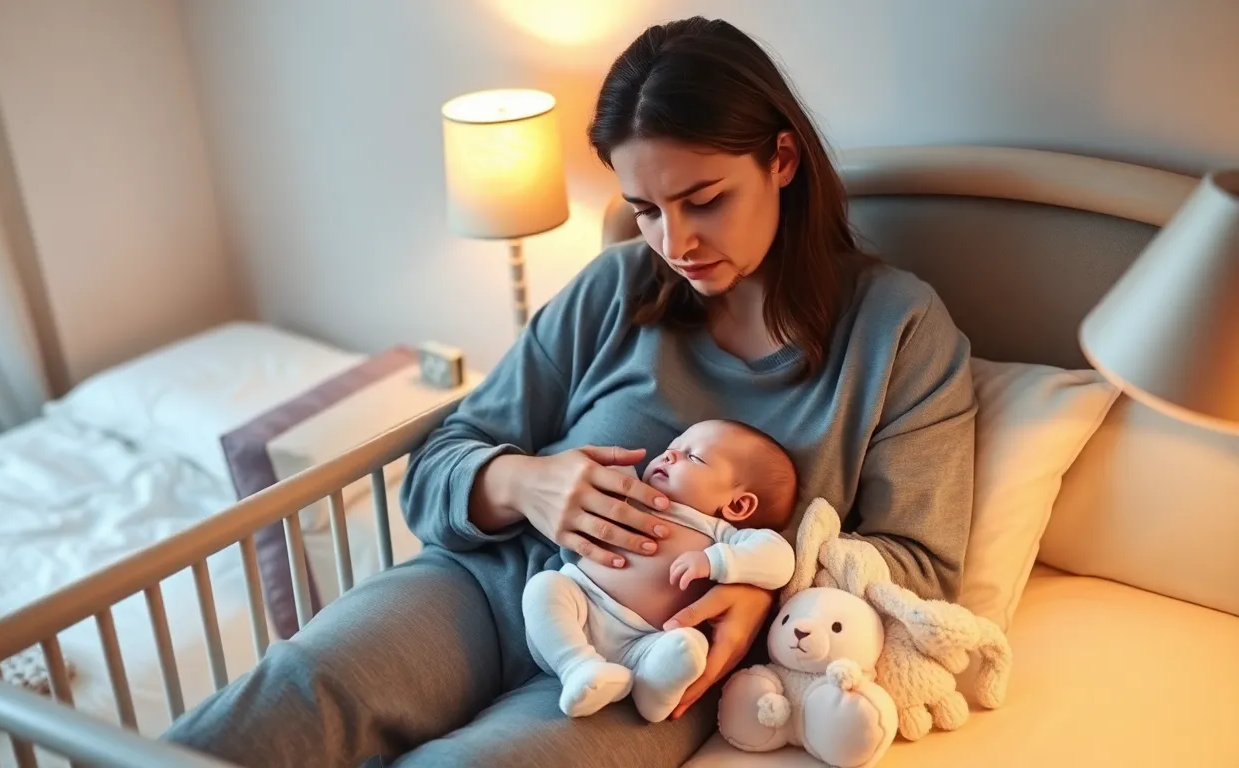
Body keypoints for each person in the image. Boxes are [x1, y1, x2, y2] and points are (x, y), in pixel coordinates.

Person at [162, 15, 976, 768]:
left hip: (659, 659)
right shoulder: (616, 287)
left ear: (783, 161)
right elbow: (436, 470)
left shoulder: (896, 332)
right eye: (645, 209)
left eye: (704, 201)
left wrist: (763, 601)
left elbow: (922, 572)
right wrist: (527, 482)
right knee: (293, 694)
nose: (675, 242)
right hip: (488, 588)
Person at [523, 419, 799, 723]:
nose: (669, 455)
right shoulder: (635, 496)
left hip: (643, 641)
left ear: (738, 505)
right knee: (544, 586)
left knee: (686, 647)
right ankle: (577, 666)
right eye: (671, 448)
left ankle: (653, 693)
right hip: (579, 604)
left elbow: (780, 560)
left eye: (693, 457)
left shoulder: (723, 536)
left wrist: (716, 561)